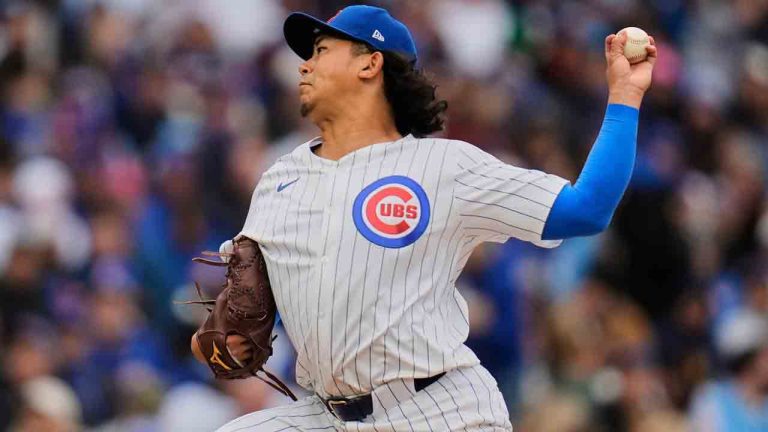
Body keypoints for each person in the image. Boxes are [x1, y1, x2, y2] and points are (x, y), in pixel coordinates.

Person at [198, 5, 656, 431]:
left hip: (438, 410)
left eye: (320, 51)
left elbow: (587, 209)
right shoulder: (280, 178)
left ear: (369, 64)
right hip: (327, 414)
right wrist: (220, 340)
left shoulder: (443, 167)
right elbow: (245, 310)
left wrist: (624, 97)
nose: (304, 65)